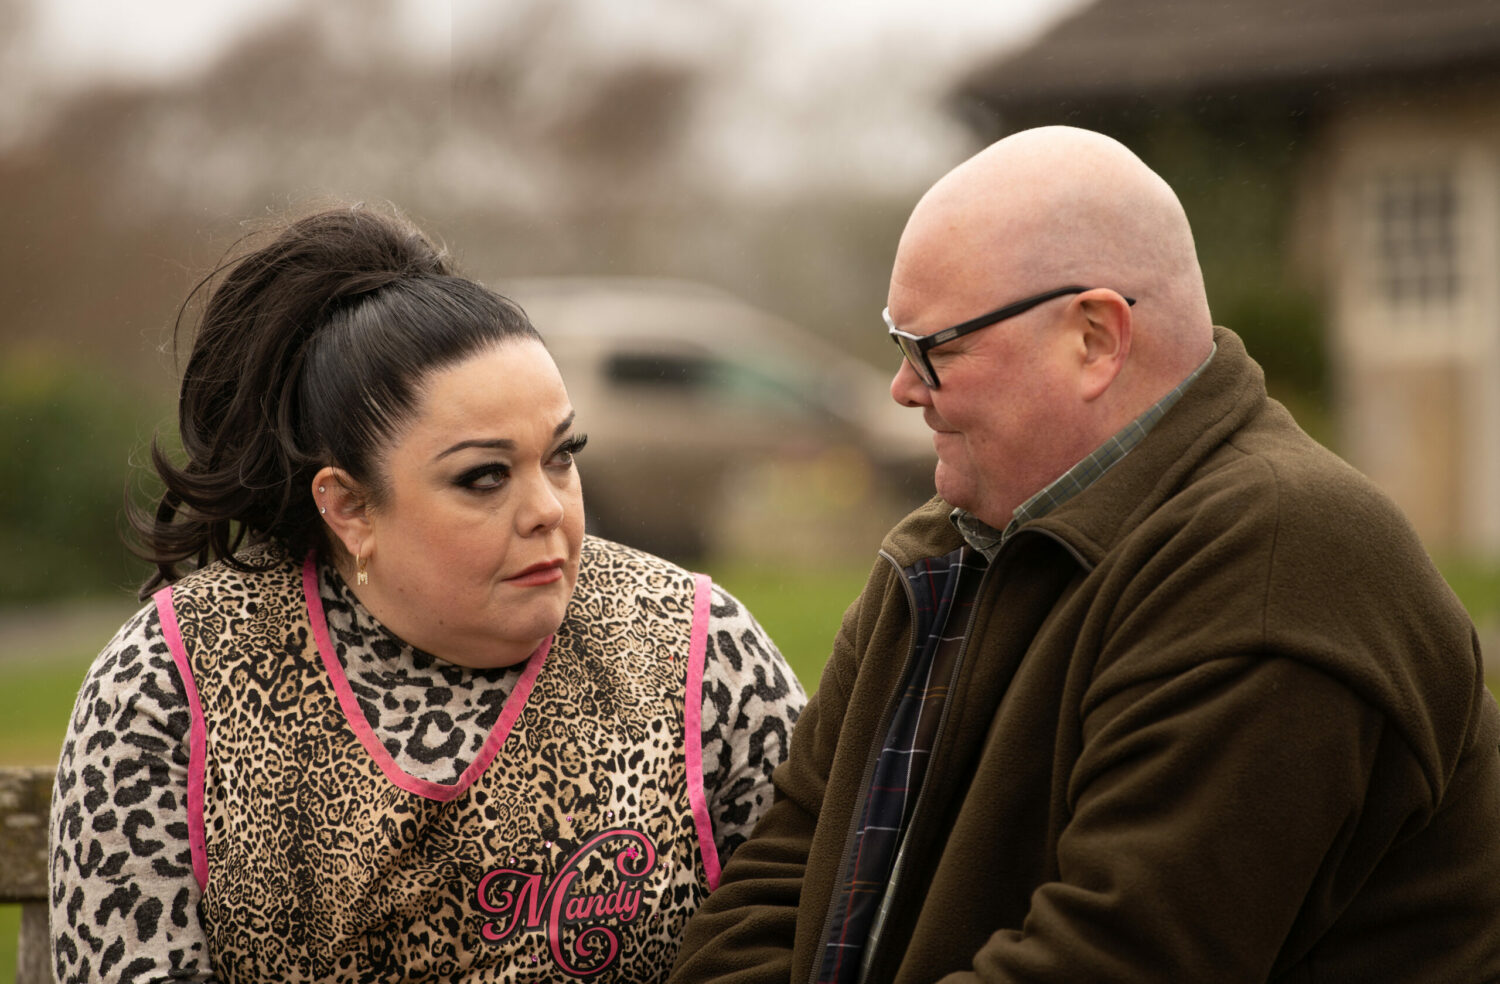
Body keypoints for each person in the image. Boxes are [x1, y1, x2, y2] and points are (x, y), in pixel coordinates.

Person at [668, 126, 1500, 983]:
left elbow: (1109, 960)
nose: (904, 387)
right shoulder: (936, 556)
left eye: (938, 348)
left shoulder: (1279, 564)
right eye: (898, 346)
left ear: (1096, 338)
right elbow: (770, 897)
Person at [48, 204, 805, 984]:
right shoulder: (167, 683)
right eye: (484, 476)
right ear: (348, 507)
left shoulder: (699, 648)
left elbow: (814, 939)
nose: (547, 507)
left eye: (561, 456)